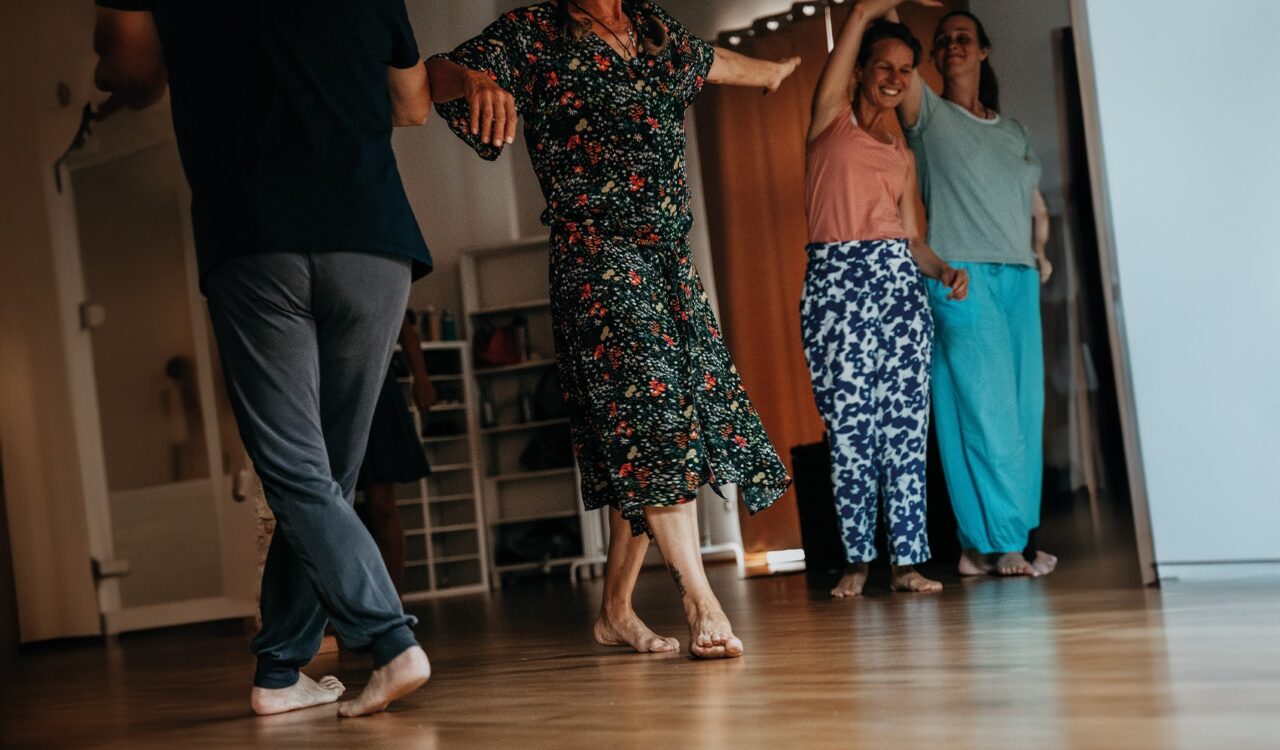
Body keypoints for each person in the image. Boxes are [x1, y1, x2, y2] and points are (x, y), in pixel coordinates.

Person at [93, 0, 434, 716]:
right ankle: (279, 672)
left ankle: (390, 638)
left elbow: (131, 70)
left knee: (297, 472)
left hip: (257, 237)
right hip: (371, 238)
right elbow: (412, 106)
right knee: (325, 480)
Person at [426, 0, 797, 659]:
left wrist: (772, 72)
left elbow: (714, 64)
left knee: (650, 431)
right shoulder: (532, 34)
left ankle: (614, 611)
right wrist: (476, 82)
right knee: (653, 420)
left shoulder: (651, 30)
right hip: (597, 258)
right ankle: (699, 598)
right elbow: (435, 74)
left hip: (668, 264)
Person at [802, 0, 967, 599]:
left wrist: (944, 270)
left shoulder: (902, 154)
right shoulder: (829, 121)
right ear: (862, 71)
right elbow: (840, 57)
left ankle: (906, 564)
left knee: (903, 428)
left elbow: (912, 240)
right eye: (884, 66)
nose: (895, 78)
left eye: (905, 69)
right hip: (836, 284)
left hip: (897, 284)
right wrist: (868, 9)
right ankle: (856, 561)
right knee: (849, 427)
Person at [895, 9, 1057, 578]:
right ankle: (1006, 543)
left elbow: (1036, 207)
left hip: (1017, 276)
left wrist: (1040, 251)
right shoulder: (929, 116)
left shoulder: (1013, 132)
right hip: (960, 273)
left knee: (1021, 411)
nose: (954, 45)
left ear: (984, 51)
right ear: (933, 58)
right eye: (943, 41)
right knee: (985, 413)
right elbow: (894, 42)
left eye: (964, 37)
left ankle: (979, 545)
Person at [358, 312, 436, 592]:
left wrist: (422, 378)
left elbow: (404, 328)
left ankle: (394, 605)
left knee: (382, 503)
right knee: (332, 505)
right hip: (325, 389)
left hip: (375, 386)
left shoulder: (371, 270)